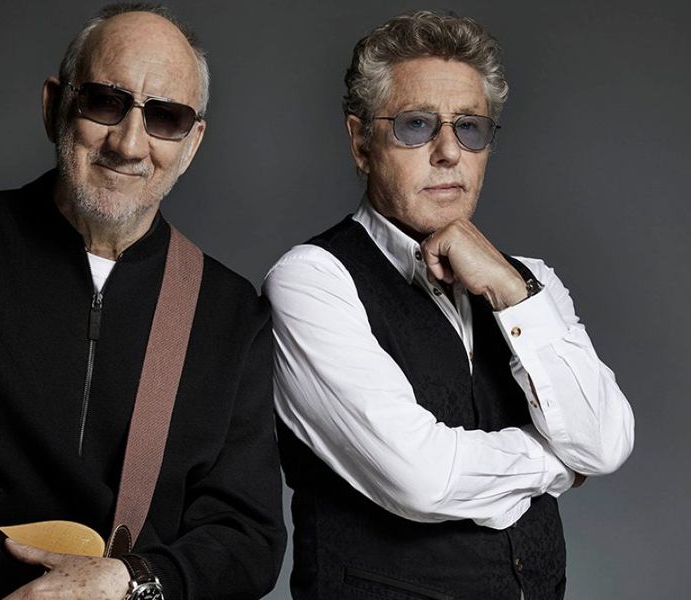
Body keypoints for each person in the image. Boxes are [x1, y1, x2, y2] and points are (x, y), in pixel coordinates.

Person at [0, 4, 285, 599]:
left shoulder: (229, 313)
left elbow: (247, 537)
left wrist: (130, 583)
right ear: (54, 106)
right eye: (105, 102)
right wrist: (28, 586)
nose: (129, 143)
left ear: (191, 144)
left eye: (165, 117)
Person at [264, 10, 635, 600]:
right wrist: (561, 465)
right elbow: (420, 477)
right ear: (361, 142)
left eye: (469, 127)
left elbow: (607, 441)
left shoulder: (529, 282)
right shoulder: (312, 280)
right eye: (415, 125)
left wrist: (512, 294)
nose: (448, 152)